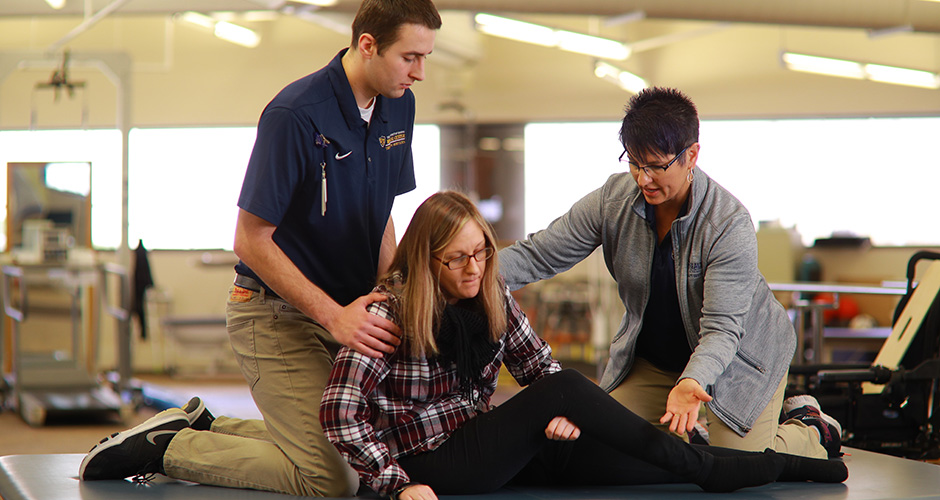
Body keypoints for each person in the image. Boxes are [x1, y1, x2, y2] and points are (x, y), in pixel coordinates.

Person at [79, 0, 442, 496]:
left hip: (349, 309)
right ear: (368, 45)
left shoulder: (399, 103)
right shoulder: (295, 114)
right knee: (334, 479)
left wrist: (392, 298)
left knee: (383, 444)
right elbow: (249, 239)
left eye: (426, 57)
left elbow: (381, 218)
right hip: (275, 315)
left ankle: (210, 427)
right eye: (410, 57)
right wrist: (335, 317)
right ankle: (168, 448)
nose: (420, 73)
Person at [319, 190, 848, 500]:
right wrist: (394, 484)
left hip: (490, 446)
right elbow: (339, 412)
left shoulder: (488, 293)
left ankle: (792, 459)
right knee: (569, 389)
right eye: (457, 259)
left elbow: (537, 366)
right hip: (430, 463)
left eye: (481, 252)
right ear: (426, 257)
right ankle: (710, 466)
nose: (475, 268)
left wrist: (564, 417)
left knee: (648, 463)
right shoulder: (390, 310)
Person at [498, 87, 842, 460]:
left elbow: (722, 329)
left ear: (691, 154)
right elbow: (537, 254)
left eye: (657, 166)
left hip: (739, 357)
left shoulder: (728, 223)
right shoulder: (612, 201)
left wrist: (691, 382)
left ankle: (811, 427)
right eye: (634, 163)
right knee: (602, 445)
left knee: (740, 464)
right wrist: (467, 275)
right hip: (656, 363)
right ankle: (690, 433)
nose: (643, 179)